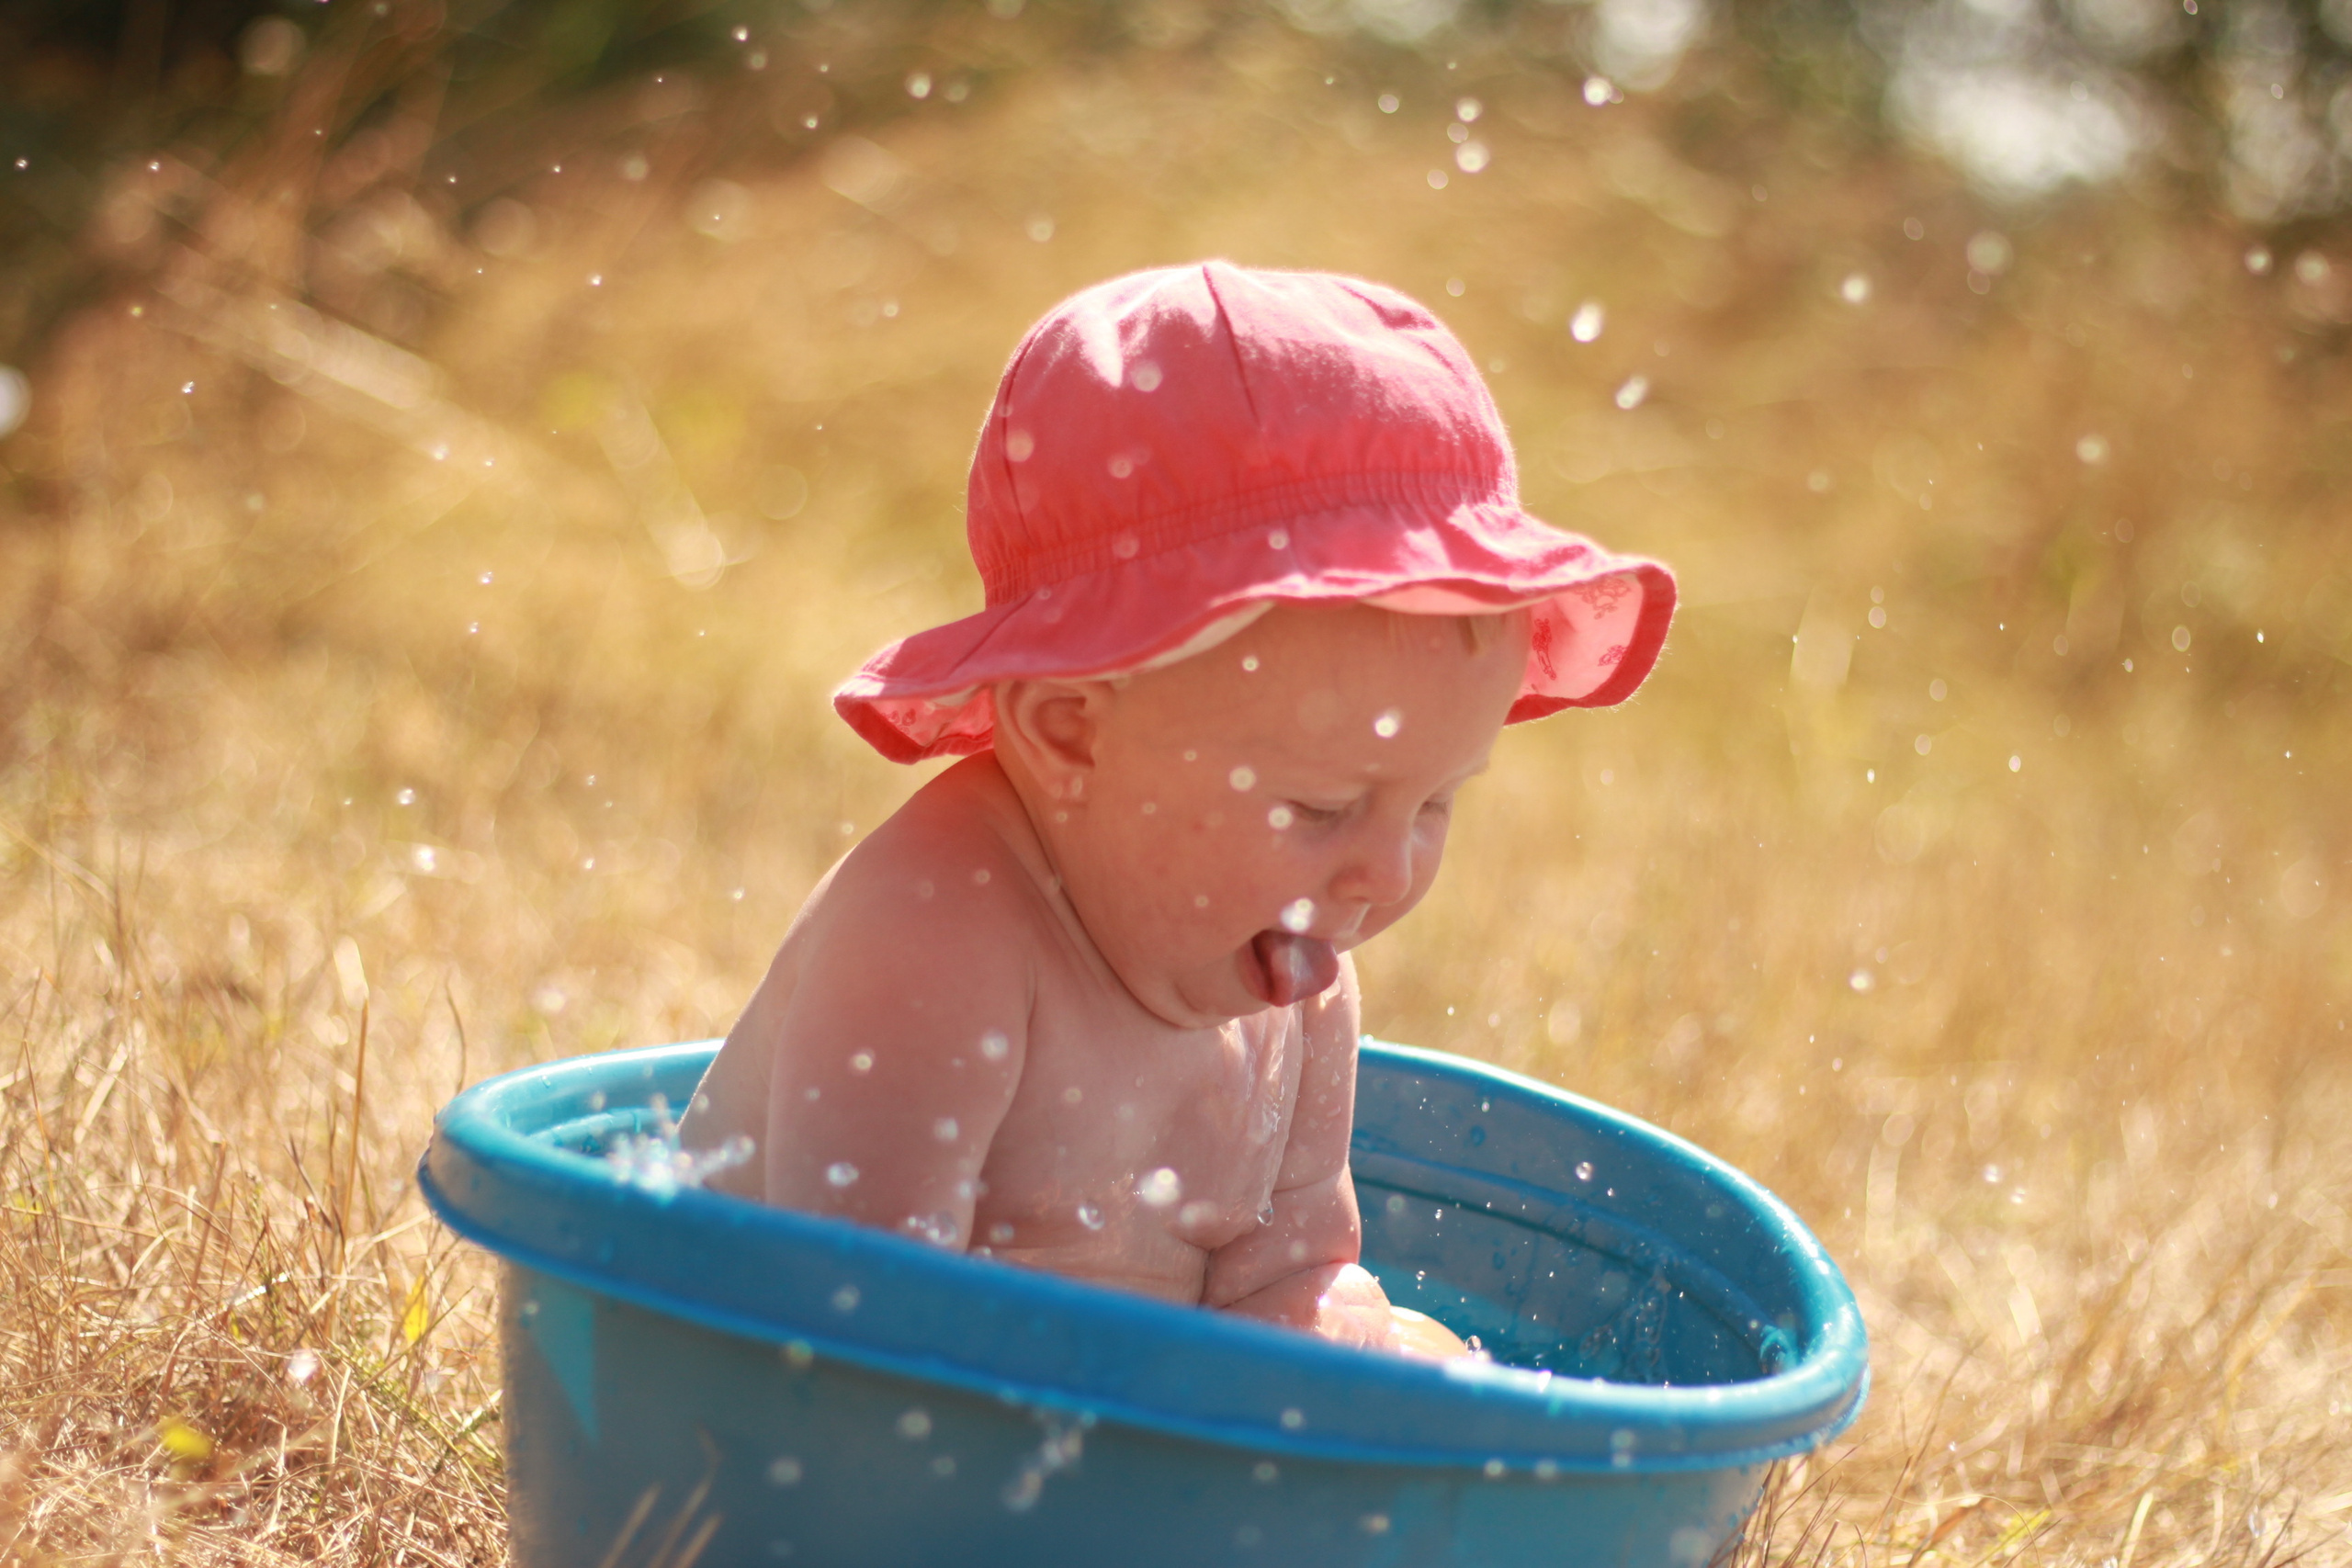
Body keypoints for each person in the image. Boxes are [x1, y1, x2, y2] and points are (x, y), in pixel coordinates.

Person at [681, 262, 1673, 1359]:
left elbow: (1296, 1268)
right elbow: (852, 1336)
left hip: (1077, 1437)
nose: (1388, 872)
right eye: (1322, 807)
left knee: (1424, 1353)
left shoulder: (1291, 981)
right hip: (739, 1423)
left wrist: (1349, 1350)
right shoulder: (934, 940)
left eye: (1435, 802)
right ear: (1072, 733)